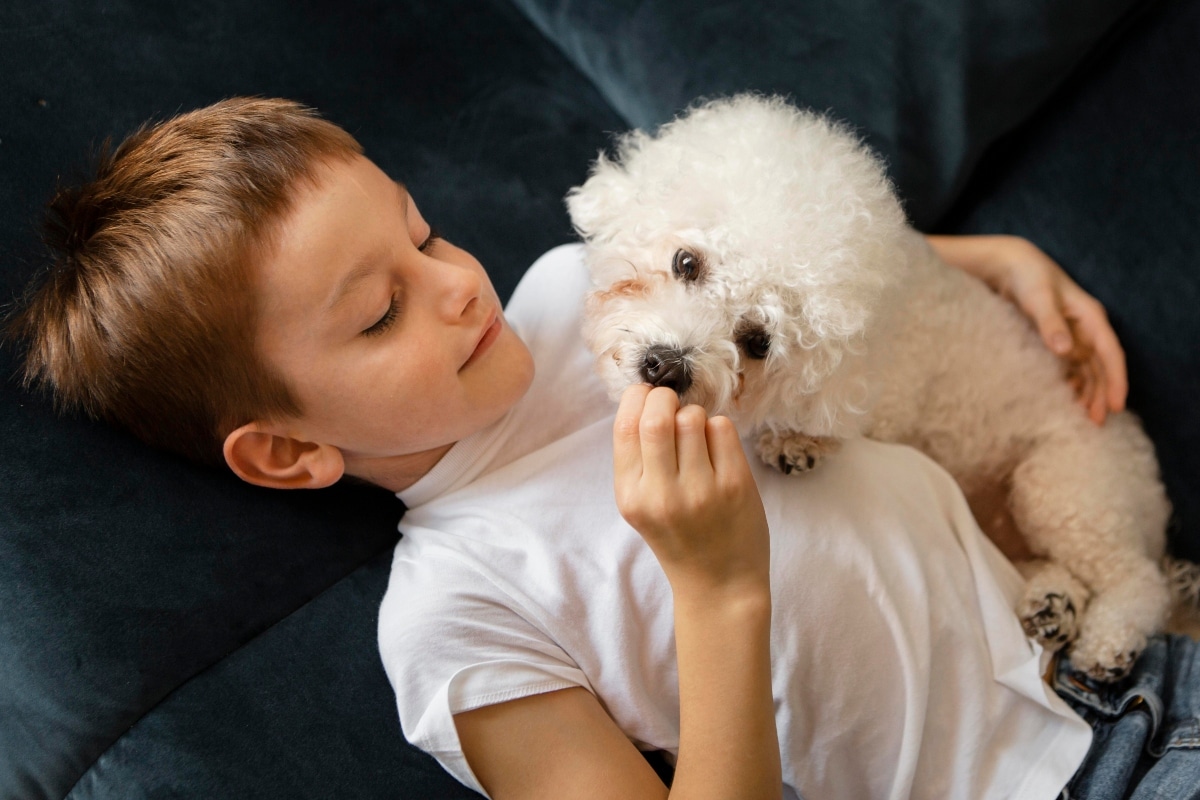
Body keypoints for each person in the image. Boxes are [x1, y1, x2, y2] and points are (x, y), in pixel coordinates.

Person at [8, 97, 1193, 800]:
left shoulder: (575, 290)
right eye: (379, 312)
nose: (456, 289)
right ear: (287, 452)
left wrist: (979, 255)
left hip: (1147, 664)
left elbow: (774, 278)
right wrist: (719, 583)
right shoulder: (458, 619)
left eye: (425, 235)